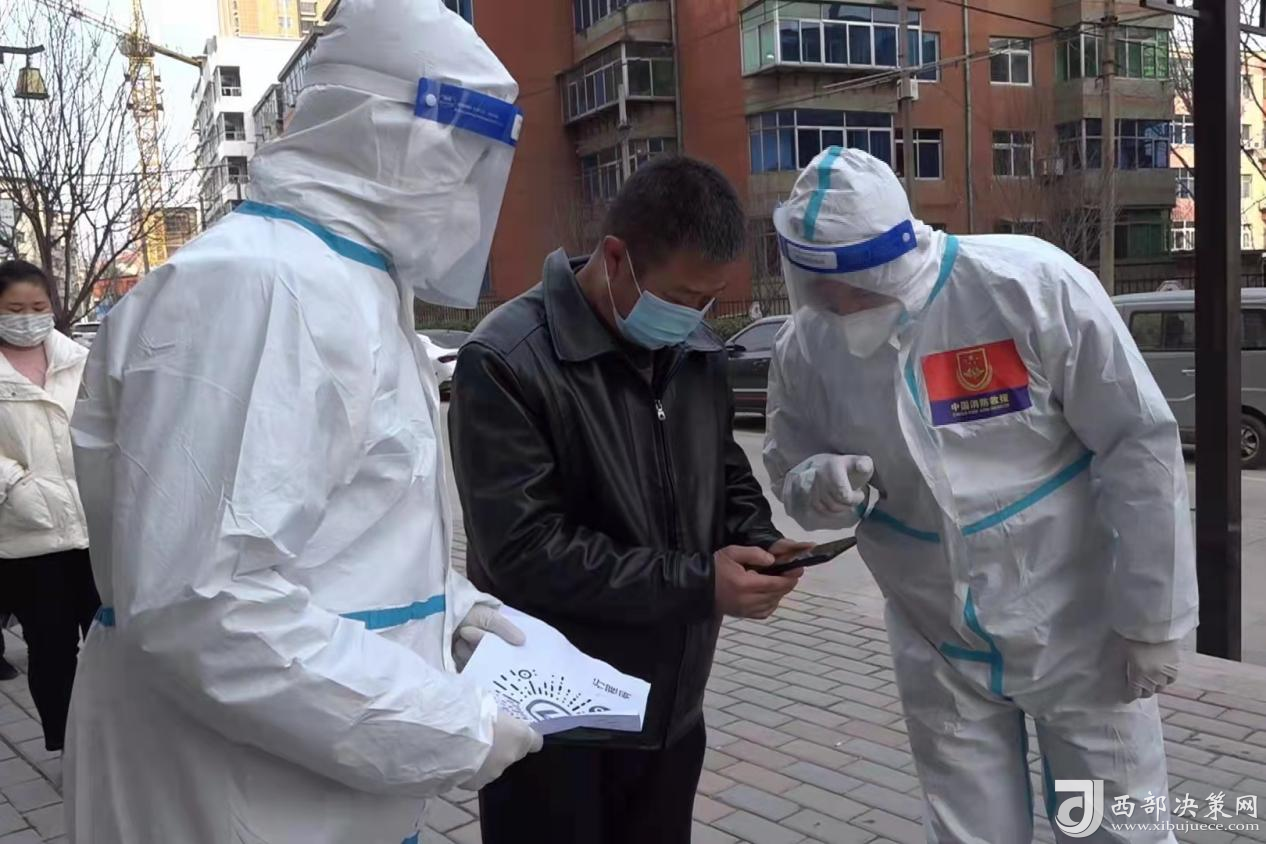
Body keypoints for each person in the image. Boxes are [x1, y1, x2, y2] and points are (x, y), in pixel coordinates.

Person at [64, 2, 541, 842]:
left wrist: (447, 605)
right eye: (462, 152)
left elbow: (336, 527)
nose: (469, 189)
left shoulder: (343, 282)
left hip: (311, 791)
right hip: (234, 795)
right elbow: (201, 605)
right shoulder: (263, 289)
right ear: (390, 132)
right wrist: (445, 727)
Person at [764, 148, 1197, 843]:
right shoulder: (806, 347)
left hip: (1076, 631)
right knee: (970, 832)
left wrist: (1153, 618)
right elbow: (788, 465)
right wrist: (820, 486)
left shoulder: (1027, 286)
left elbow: (1137, 444)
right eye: (821, 290)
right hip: (938, 639)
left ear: (895, 259)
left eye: (854, 288)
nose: (839, 307)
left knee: (1115, 824)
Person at [450, 156, 811, 844]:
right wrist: (700, 583)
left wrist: (759, 539)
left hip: (669, 707)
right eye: (681, 296)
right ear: (616, 257)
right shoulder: (506, 359)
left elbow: (722, 468)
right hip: (551, 718)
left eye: (709, 300)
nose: (695, 316)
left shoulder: (695, 349)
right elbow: (521, 551)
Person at [0, 259, 98, 748]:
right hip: (29, 535)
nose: (28, 318)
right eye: (14, 309)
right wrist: (15, 484)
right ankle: (68, 749)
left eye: (38, 307)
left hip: (95, 527)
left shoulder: (80, 359)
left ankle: (117, 744)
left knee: (111, 642)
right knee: (53, 649)